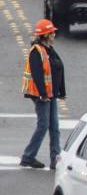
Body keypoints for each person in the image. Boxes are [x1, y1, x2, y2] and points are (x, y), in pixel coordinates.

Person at [20, 19, 65, 169]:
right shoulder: (36, 51)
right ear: (46, 35)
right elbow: (38, 74)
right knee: (44, 124)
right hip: (42, 95)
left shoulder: (49, 49)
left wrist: (61, 92)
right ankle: (28, 156)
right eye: (52, 32)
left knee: (54, 126)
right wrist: (43, 94)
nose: (54, 34)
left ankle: (55, 158)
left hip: (50, 94)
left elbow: (58, 69)